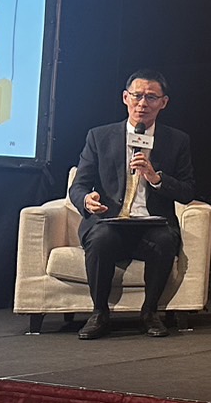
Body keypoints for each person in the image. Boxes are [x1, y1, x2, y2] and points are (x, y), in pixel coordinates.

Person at [68, 69, 195, 339]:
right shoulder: (99, 137)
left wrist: (156, 178)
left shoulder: (177, 141)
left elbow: (187, 191)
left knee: (164, 240)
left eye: (151, 97)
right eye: (137, 96)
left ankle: (149, 313)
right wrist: (87, 201)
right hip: (110, 222)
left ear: (163, 102)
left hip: (152, 224)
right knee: (101, 238)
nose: (142, 103)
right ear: (125, 98)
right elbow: (78, 186)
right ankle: (99, 313)